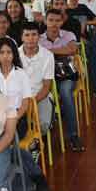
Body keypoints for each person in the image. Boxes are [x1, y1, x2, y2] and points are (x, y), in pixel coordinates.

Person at [40, 10, 84, 152]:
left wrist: (49, 51)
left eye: (57, 20)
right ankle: (42, 133)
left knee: (65, 93)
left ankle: (73, 135)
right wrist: (61, 50)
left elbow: (72, 50)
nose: (54, 24)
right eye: (51, 20)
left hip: (67, 75)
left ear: (62, 22)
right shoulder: (39, 38)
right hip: (46, 77)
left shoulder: (68, 34)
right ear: (45, 21)